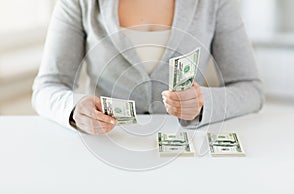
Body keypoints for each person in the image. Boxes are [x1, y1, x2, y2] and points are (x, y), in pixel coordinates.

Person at [32, 0, 264, 135]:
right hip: (108, 147)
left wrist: (204, 102)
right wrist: (73, 109)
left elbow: (251, 89)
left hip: (187, 157)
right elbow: (47, 87)